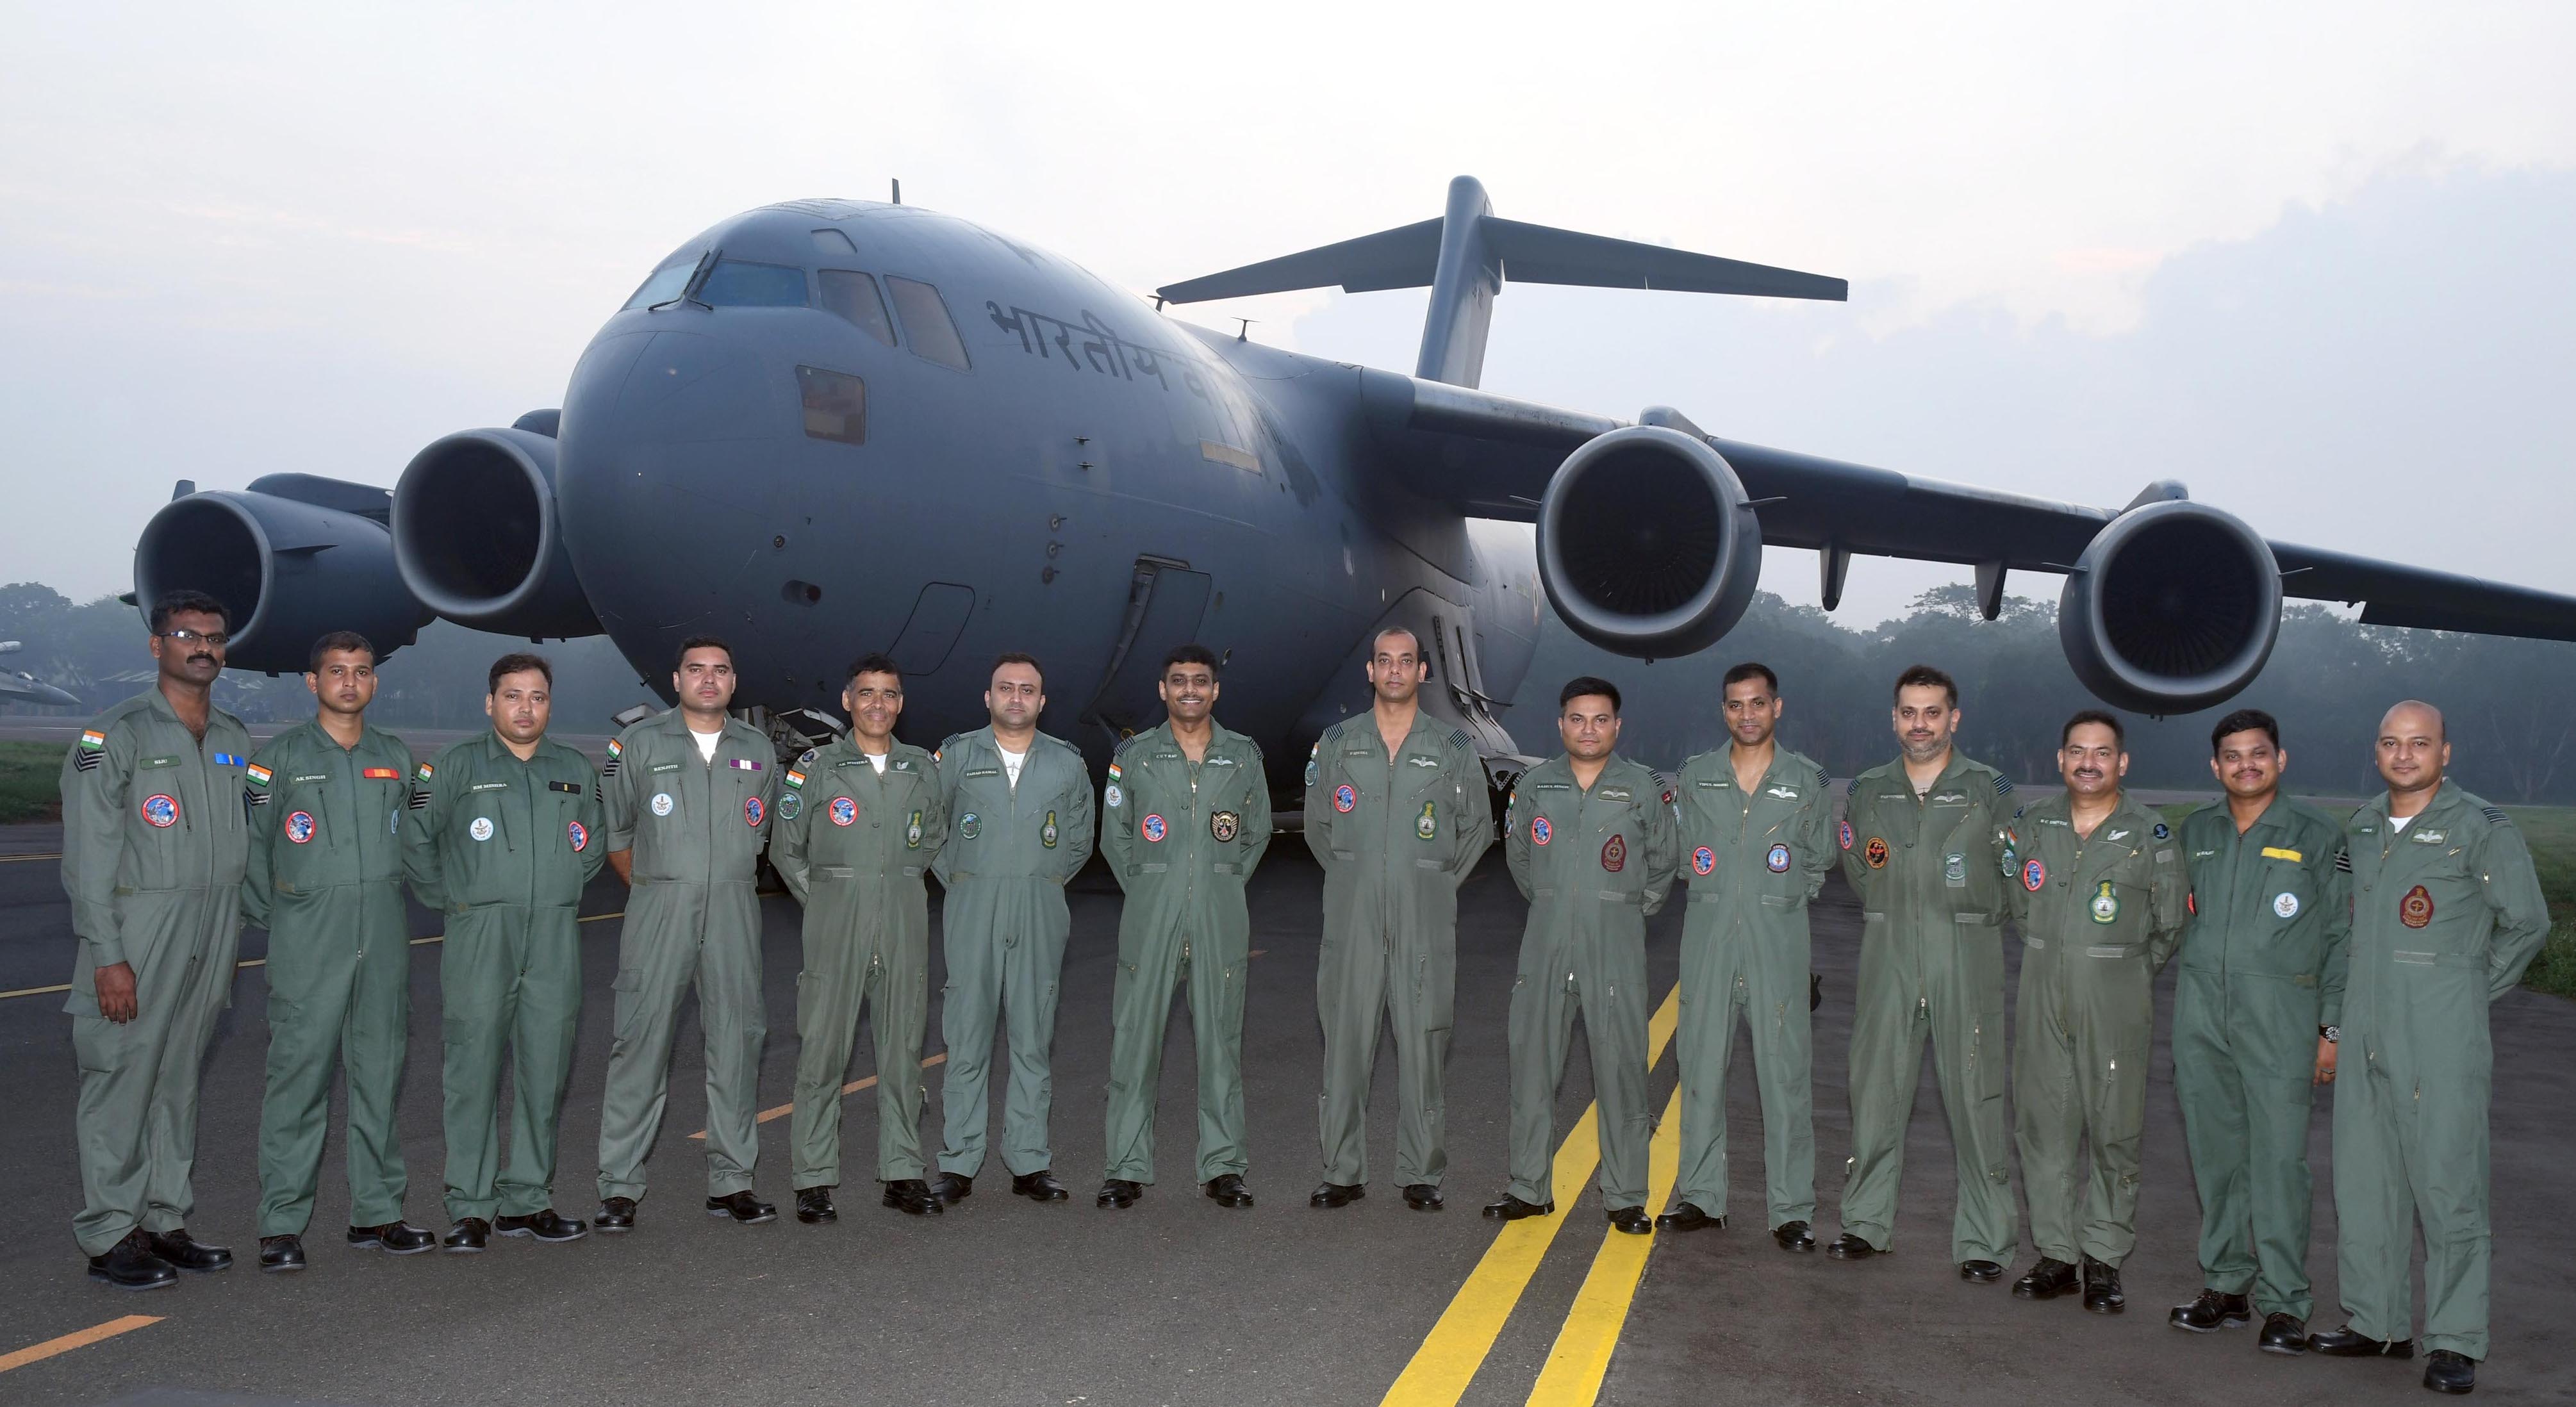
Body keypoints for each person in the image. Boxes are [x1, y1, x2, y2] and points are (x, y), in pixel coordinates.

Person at [2309, 702, 2549, 1396]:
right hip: (2364, 1034)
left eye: (2420, 743)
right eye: (2391, 743)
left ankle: (2455, 1339)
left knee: (2449, 1190)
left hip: (2440, 1038)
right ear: (2377, 752)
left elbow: (2527, 924)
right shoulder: (2360, 825)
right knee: (2364, 1185)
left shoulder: (2479, 827)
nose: (2404, 755)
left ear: (2446, 753)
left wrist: (2468, 991)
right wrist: (2333, 1025)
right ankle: (2377, 1324)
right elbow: (2344, 938)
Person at [60, 591, 254, 1290]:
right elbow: (87, 861)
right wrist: (108, 956)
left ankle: (165, 1222)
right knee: (121, 1080)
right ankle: (111, 1231)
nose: (202, 646)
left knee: (176, 1081)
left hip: (212, 930)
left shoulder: (234, 739)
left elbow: (249, 841)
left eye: (214, 636)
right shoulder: (113, 737)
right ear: (156, 646)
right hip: (138, 934)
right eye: (186, 634)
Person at [243, 632, 434, 1271]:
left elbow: (411, 840)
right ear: (312, 682)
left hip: (380, 940)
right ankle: (281, 1224)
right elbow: (254, 849)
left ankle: (377, 1214)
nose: (349, 682)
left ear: (374, 683)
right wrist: (289, 920)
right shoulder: (278, 760)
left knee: (379, 1077)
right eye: (336, 671)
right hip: (309, 943)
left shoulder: (397, 758)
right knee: (298, 1080)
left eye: (361, 672)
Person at [406, 653, 606, 1251]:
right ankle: (470, 1205)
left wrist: (562, 889)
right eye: (513, 696)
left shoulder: (573, 767)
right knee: (472, 1070)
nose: (526, 707)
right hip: (479, 935)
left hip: (553, 935)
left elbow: (591, 843)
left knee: (545, 1069)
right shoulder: (454, 766)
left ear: (550, 704)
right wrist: (459, 901)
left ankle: (528, 1198)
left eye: (538, 696)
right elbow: (416, 842)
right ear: (489, 703)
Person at [2168, 709, 2350, 1354]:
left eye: (2258, 753)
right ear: (2215, 766)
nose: (2246, 764)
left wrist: (2332, 1028)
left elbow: (2340, 936)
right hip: (2202, 1019)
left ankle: (2284, 1301)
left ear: (2281, 759)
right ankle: (2227, 1283)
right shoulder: (2199, 832)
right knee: (2217, 1158)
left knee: (2278, 1164)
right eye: (2233, 756)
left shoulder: (2318, 835)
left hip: (2283, 1021)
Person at [1831, 664, 2019, 1280]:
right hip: (1887, 952)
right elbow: (1860, 869)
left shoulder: (1990, 788)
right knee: (1876, 1090)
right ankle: (1865, 1224)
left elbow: (2016, 875)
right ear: (1894, 718)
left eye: (1932, 712)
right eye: (1909, 712)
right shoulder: (1867, 789)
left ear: (1953, 718)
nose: (1920, 724)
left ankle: (1986, 1241)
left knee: (1976, 1094)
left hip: (1966, 953)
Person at [2001, 711, 2187, 1314]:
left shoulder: (2150, 835)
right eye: (2077, 750)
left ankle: (2103, 1259)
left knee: (2114, 1130)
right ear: (2061, 760)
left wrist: (2116, 971)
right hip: (2040, 995)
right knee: (2042, 1126)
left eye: (2102, 753)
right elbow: (2019, 907)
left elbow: (2168, 927)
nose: (2089, 762)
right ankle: (2056, 1253)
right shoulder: (2032, 825)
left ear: (2122, 763)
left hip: (2116, 1002)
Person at [593, 638, 782, 1230]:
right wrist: (654, 889)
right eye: (696, 670)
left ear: (733, 681)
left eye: (720, 670)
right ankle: (619, 1186)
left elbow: (765, 828)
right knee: (640, 1041)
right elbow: (617, 831)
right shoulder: (642, 744)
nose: (709, 679)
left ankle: (732, 1182)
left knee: (737, 1039)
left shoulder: (759, 750)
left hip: (732, 907)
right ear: (675, 680)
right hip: (660, 908)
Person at [1304, 627, 1493, 1212]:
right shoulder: (1336, 744)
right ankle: (1342, 1171)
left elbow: (1477, 829)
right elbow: (1318, 828)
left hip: (1424, 922)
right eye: (1384, 662)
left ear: (1422, 673)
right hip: (1353, 918)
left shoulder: (1455, 747)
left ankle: (1421, 1172)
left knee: (1424, 1042)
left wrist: (1431, 882)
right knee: (1346, 1042)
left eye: (1405, 662)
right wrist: (1358, 879)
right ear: (1370, 671)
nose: (1394, 672)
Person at [1486, 677, 1678, 1233]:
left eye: (1599, 720)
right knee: (1532, 1066)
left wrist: (1618, 910)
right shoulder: (1536, 785)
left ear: (1618, 726)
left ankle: (1625, 1197)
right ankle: (1528, 1188)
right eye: (1577, 718)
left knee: (1620, 1070)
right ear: (1560, 723)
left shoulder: (1642, 789)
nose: (1588, 729)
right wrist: (1554, 903)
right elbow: (1520, 857)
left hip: (1614, 943)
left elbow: (1664, 862)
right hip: (1544, 941)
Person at [1659, 662, 1833, 1249]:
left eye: (1758, 703)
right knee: (1701, 1071)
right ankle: (1703, 1198)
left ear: (1777, 708)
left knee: (1785, 1078)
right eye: (1736, 705)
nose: (1747, 715)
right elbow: (1685, 858)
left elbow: (1816, 864)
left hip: (1777, 945)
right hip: (1708, 942)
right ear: (1724, 711)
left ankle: (1791, 1209)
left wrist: (1772, 906)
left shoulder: (1806, 781)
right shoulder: (1696, 777)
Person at [772, 655, 948, 1221]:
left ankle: (902, 1172)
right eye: (867, 694)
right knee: (823, 1051)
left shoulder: (922, 768)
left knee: (902, 1051)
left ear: (901, 703)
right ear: (847, 701)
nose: (878, 704)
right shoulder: (816, 767)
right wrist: (825, 900)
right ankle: (813, 1178)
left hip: (902, 917)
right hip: (836, 921)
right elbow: (785, 848)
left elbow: (934, 841)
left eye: (889, 694)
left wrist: (893, 888)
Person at [1097, 645, 1273, 1209]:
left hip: (1220, 919)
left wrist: (1219, 886)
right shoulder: (1134, 755)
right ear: (1162, 690)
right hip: (1150, 919)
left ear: (1215, 691)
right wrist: (1155, 888)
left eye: (1200, 681)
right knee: (1134, 1044)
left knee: (1220, 1044)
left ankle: (1223, 1168)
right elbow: (1115, 837)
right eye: (1179, 681)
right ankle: (1125, 1167)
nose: (1190, 690)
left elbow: (1256, 834)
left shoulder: (1242, 756)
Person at [929, 654, 1096, 1206]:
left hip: (1039, 904)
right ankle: (959, 1162)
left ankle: (1029, 1162)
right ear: (988, 697)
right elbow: (933, 831)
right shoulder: (955, 756)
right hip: (972, 902)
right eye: (1006, 688)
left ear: (1042, 702)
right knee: (967, 1036)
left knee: (1032, 1038)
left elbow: (1077, 840)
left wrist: (1040, 880)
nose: (1017, 698)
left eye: (1028, 690)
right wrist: (965, 879)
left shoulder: (1067, 764)